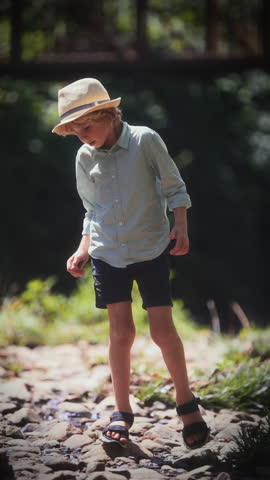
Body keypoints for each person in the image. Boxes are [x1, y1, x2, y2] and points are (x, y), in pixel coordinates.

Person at [52, 78, 210, 449]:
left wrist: (181, 227)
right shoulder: (84, 157)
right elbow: (92, 211)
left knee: (161, 331)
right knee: (120, 334)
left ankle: (186, 403)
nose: (83, 137)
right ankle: (121, 411)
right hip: (107, 253)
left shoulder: (144, 140)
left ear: (106, 114)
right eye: (75, 133)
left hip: (151, 248)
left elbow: (175, 187)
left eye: (86, 128)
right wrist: (82, 249)